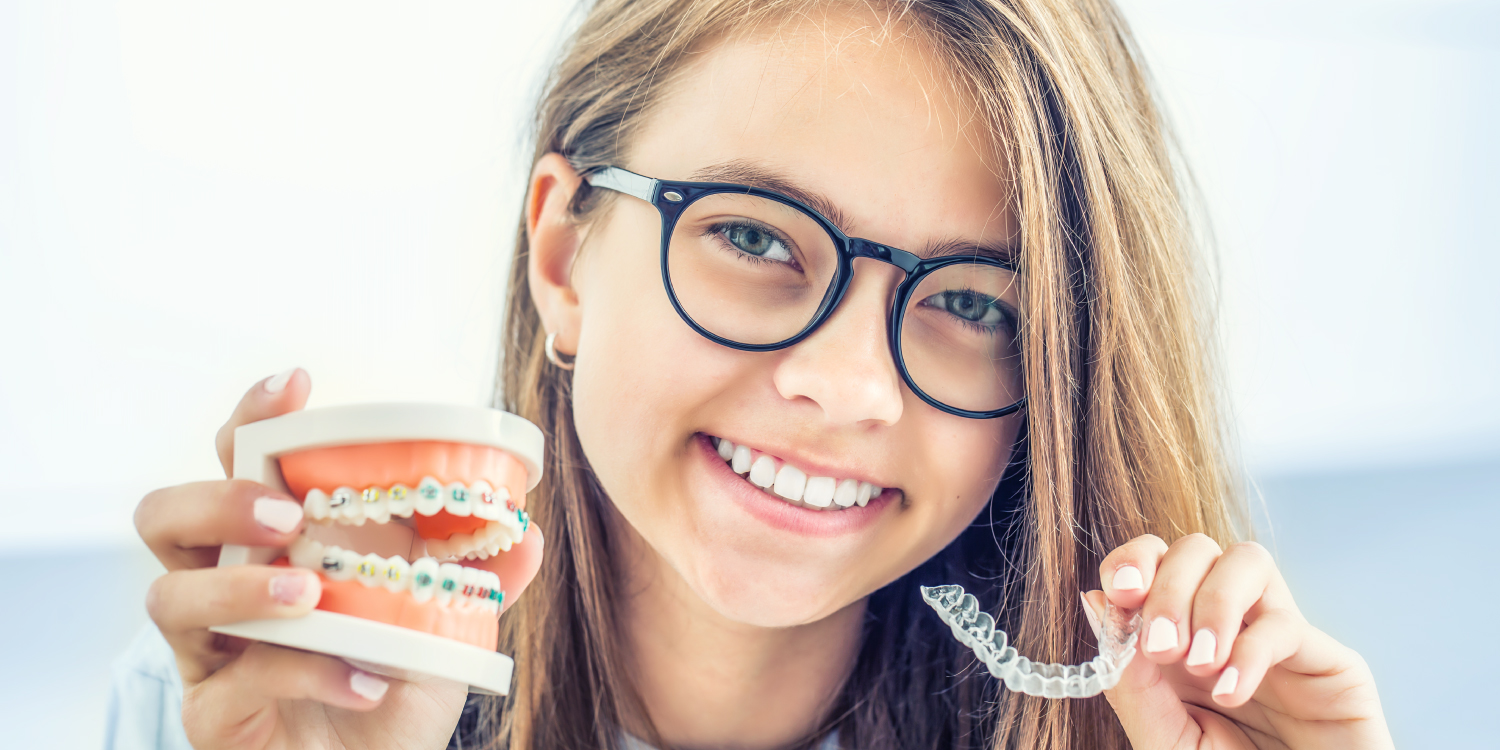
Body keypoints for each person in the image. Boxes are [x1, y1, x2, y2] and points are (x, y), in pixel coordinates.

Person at [118, 0, 1395, 748]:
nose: (846, 387)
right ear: (566, 254)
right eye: (750, 238)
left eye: (969, 303)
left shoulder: (1152, 729)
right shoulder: (238, 700)